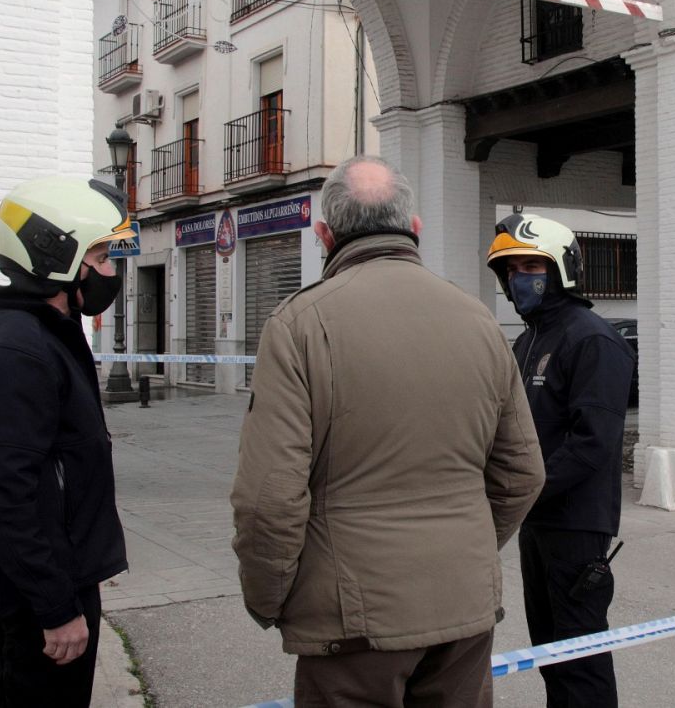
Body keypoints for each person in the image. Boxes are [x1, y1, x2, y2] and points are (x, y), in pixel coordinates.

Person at [232, 155, 544, 708]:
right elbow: (522, 472)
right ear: (415, 229)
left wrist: (270, 597)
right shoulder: (479, 320)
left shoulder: (299, 325)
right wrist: (461, 546)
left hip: (353, 619)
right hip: (463, 607)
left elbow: (269, 500)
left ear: (323, 235)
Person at [0, 175, 137, 706]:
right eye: (100, 256)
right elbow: (1, 499)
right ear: (59, 257)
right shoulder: (17, 353)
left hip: (60, 581)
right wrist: (56, 608)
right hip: (44, 603)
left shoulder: (44, 338)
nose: (109, 270)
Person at [486, 213, 636, 708]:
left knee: (581, 660)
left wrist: (523, 486)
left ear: (560, 269)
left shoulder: (591, 339)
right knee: (549, 650)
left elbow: (592, 443)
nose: (519, 277)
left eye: (531, 265)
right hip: (537, 521)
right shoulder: (528, 340)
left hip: (576, 526)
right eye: (510, 269)